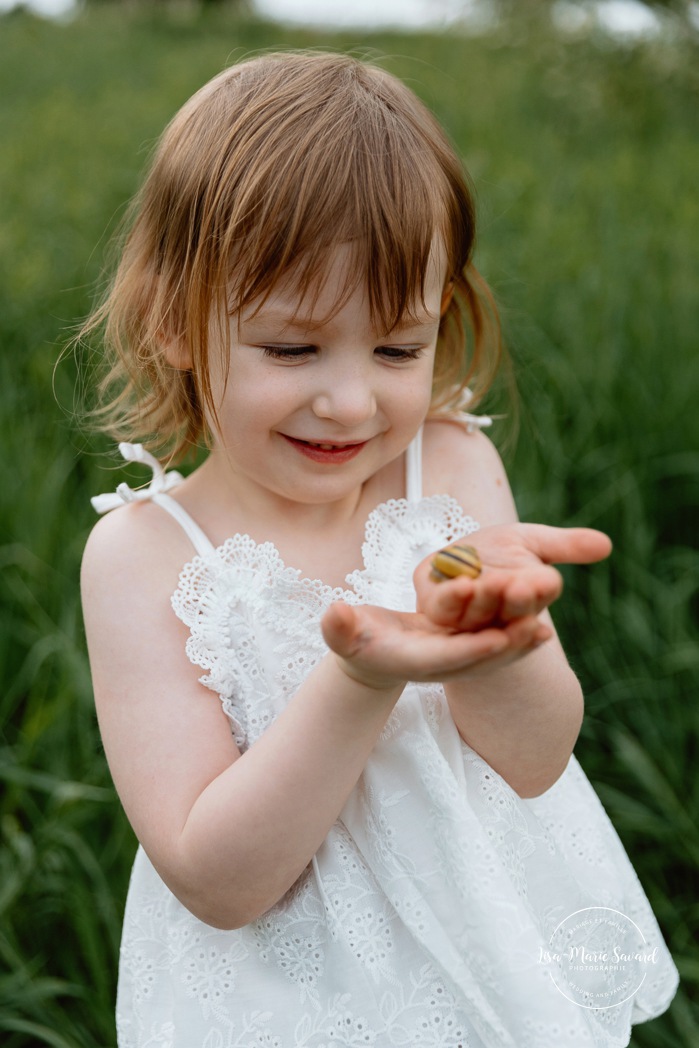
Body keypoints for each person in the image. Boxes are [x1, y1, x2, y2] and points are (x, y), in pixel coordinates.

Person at [80, 51, 678, 1048]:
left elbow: (535, 762)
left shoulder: (447, 469)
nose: (353, 401)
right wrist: (357, 680)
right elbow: (219, 881)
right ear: (171, 321)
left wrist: (499, 642)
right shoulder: (144, 555)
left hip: (493, 964)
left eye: (399, 349)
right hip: (286, 1004)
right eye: (292, 348)